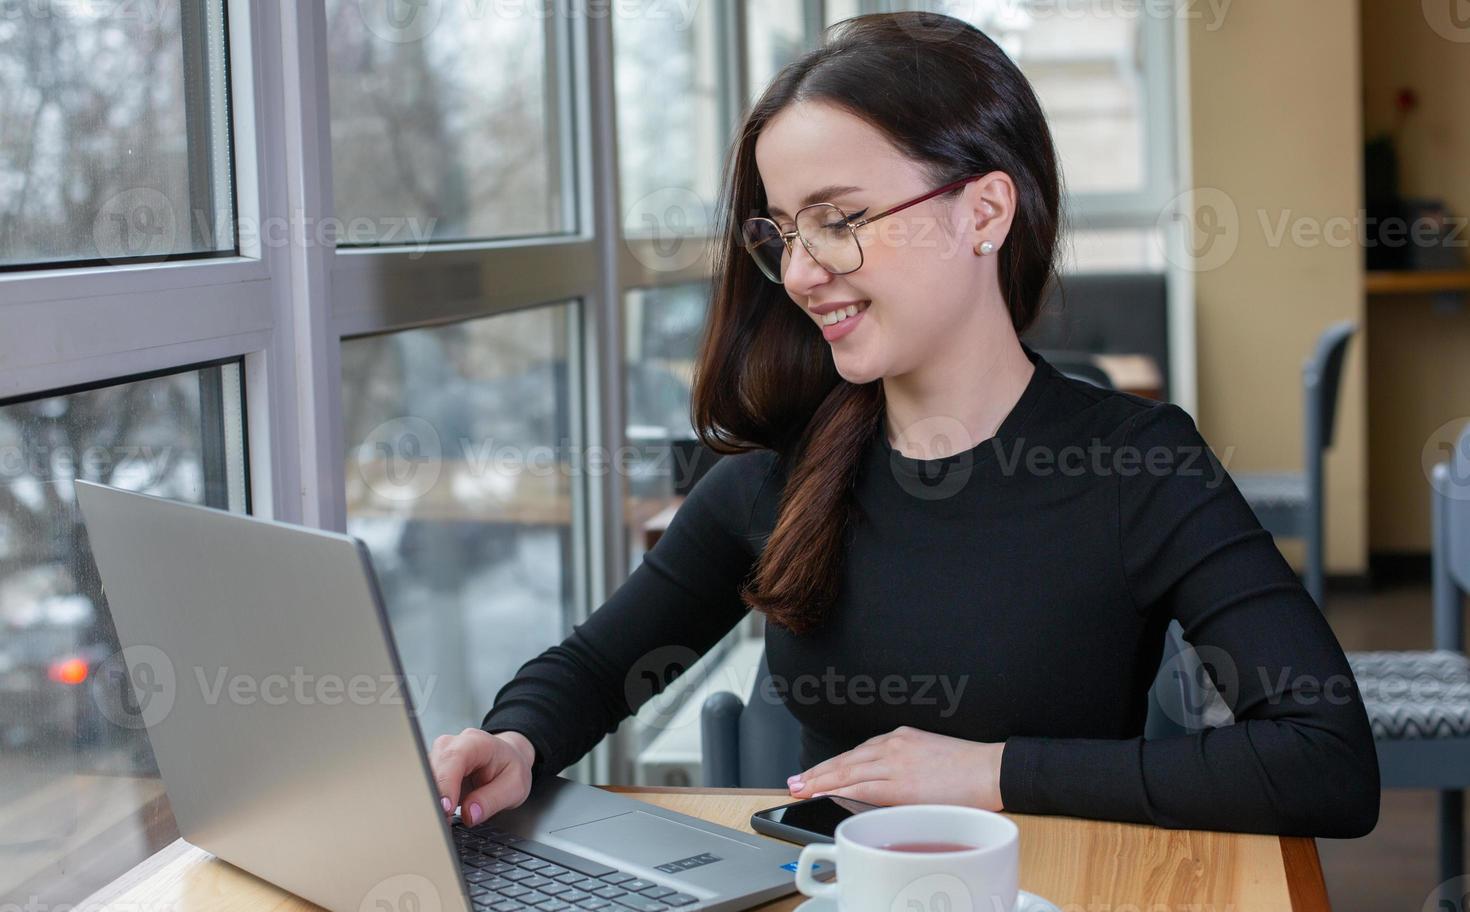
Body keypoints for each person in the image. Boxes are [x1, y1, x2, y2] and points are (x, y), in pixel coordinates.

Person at [428, 12, 1380, 839]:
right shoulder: (779, 478)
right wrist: (514, 741)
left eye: (838, 219)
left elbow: (1324, 759)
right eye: (783, 234)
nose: (801, 274)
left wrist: (989, 773)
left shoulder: (1138, 465)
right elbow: (600, 666)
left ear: (985, 211)